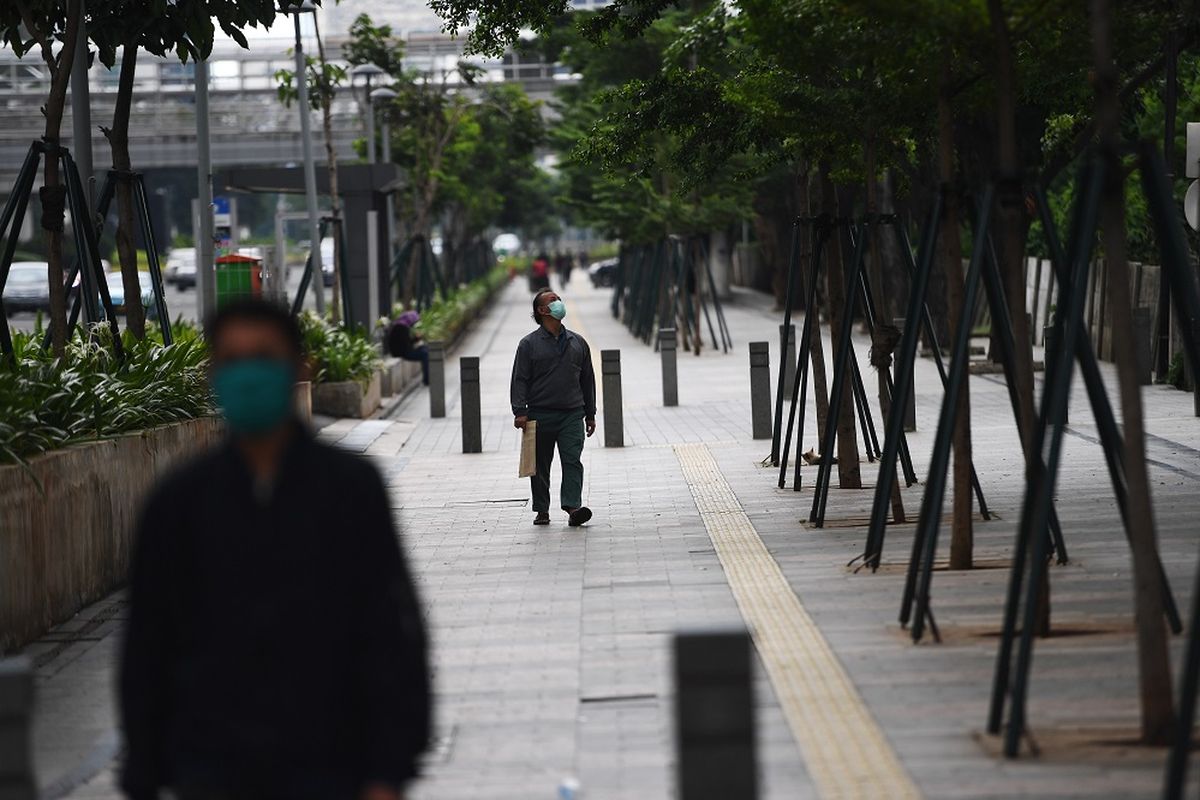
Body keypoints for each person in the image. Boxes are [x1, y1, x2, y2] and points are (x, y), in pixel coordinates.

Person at [120, 298, 430, 800]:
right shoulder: (179, 501)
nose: (250, 375)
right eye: (234, 361)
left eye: (264, 357)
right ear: (214, 374)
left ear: (298, 368)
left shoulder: (351, 488)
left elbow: (390, 628)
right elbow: (148, 646)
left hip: (330, 761)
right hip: (213, 766)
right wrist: (145, 770)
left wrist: (389, 768)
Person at [510, 289, 597, 527]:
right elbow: (520, 379)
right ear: (542, 310)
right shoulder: (528, 344)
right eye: (552, 300)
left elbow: (587, 379)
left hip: (572, 414)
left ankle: (573, 507)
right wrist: (520, 411)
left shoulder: (578, 342)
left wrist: (590, 413)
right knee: (539, 466)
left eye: (558, 299)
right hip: (539, 414)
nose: (558, 303)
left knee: (572, 460)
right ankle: (541, 509)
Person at [386, 309, 430, 385]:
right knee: (425, 354)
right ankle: (427, 380)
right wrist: (416, 339)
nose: (413, 324)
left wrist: (416, 339)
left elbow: (406, 342)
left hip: (401, 351)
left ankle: (427, 378)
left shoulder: (401, 325)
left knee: (424, 349)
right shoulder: (402, 328)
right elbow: (407, 345)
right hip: (401, 353)